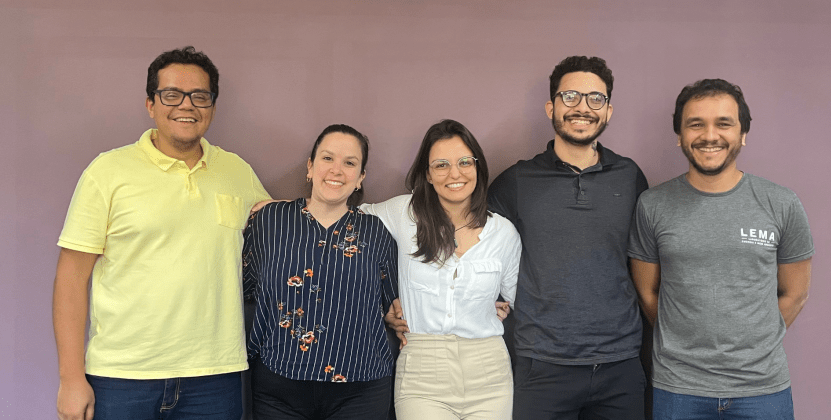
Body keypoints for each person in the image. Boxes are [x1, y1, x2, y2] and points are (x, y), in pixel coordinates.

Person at [53, 46, 270, 420]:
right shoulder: (107, 172)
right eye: (171, 95)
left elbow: (290, 233)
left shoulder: (237, 171)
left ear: (213, 107)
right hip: (122, 376)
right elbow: (72, 278)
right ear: (151, 104)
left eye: (200, 96)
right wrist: (71, 379)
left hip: (215, 376)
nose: (186, 105)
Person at [628, 79, 814, 419]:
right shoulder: (652, 205)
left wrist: (755, 344)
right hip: (678, 387)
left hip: (762, 388)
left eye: (723, 123)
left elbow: (796, 293)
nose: (709, 135)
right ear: (680, 136)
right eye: (695, 124)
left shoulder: (782, 204)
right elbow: (648, 294)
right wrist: (685, 341)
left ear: (742, 133)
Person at [488, 56, 648, 419]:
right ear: (551, 107)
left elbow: (645, 259)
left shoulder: (630, 176)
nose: (582, 108)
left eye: (596, 99)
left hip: (620, 364)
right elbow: (475, 249)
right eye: (571, 96)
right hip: (541, 365)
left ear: (608, 111)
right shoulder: (516, 181)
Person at [364, 119, 521, 419]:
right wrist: (382, 303)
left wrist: (491, 307)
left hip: (489, 370)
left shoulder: (504, 233)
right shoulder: (404, 213)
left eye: (464, 162)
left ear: (478, 166)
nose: (455, 174)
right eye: (441, 165)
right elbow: (346, 219)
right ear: (428, 174)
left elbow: (518, 299)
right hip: (422, 370)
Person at [244, 124, 400, 419]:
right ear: (310, 167)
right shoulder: (269, 220)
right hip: (280, 384)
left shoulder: (376, 231)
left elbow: (397, 304)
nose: (337, 170)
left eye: (350, 163)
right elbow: (242, 286)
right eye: (328, 158)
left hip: (360, 388)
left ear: (360, 178)